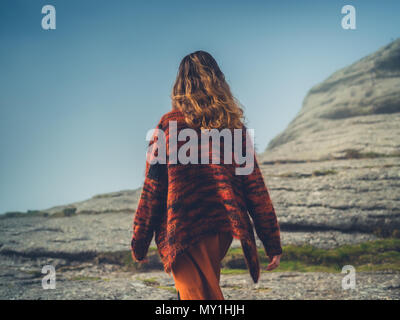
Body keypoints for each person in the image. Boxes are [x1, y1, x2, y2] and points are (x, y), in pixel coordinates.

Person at [131, 50, 282, 300]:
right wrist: (272, 242)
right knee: (199, 292)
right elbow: (255, 190)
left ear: (180, 86)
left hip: (182, 227)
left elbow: (153, 188)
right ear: (219, 82)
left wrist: (139, 240)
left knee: (198, 296)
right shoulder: (234, 129)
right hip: (220, 230)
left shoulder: (168, 127)